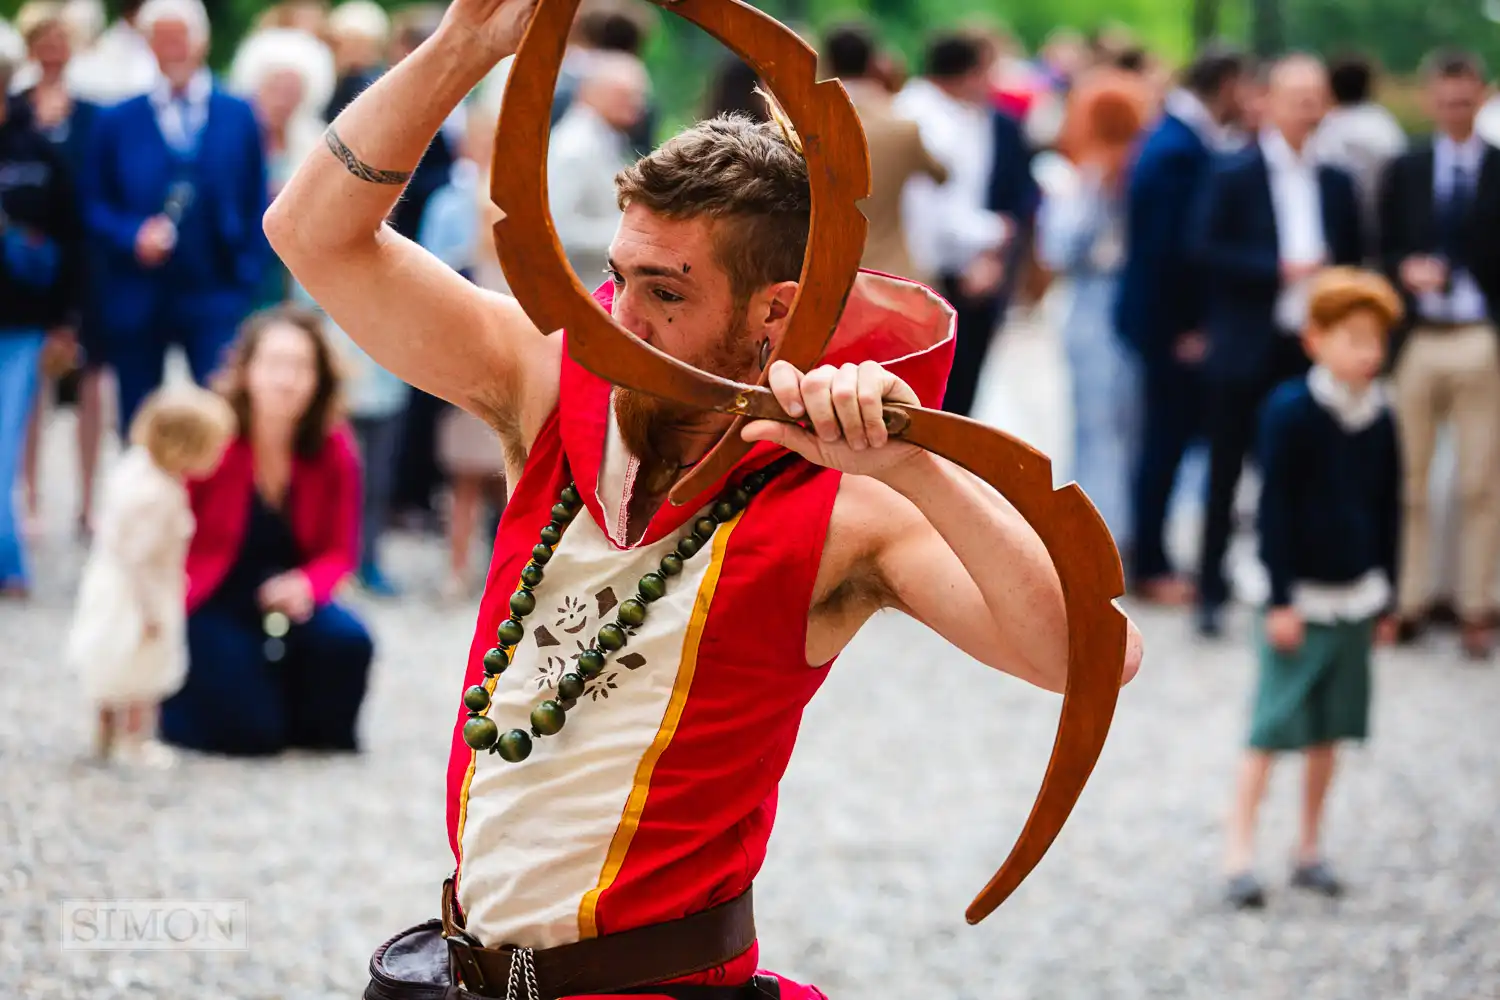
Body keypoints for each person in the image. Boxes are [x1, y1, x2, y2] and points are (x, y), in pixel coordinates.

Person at [264, 0, 1144, 993]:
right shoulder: (551, 383)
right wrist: (466, 43)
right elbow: (310, 235)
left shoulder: (846, 504)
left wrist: (910, 465)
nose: (619, 320)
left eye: (666, 294)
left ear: (775, 313)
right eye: (616, 277)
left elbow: (1096, 659)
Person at [1222, 268, 1402, 909]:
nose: (1368, 353)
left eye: (1376, 340)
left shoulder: (1381, 416)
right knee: (1271, 726)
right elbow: (1273, 511)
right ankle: (1239, 853)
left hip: (1356, 593)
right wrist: (1280, 598)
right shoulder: (1290, 411)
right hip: (1298, 596)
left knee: (1332, 728)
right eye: (1353, 338)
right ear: (1314, 340)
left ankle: (1309, 846)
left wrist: (1391, 598)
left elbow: (1388, 508)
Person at [1188, 54, 1364, 637]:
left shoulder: (1337, 179)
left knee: (1298, 470)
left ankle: (1288, 587)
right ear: (1268, 101)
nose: (1307, 107)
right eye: (1296, 95)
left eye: (1316, 96)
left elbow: (1356, 255)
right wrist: (1279, 269)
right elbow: (1204, 247)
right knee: (1225, 468)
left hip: (1308, 344)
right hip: (1247, 339)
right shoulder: (1233, 170)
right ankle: (1209, 590)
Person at [160, 306, 373, 756]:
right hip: (213, 594)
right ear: (247, 371)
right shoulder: (214, 437)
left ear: (319, 379)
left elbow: (340, 552)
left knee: (350, 644)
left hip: (289, 594)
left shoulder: (335, 447)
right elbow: (169, 530)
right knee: (251, 736)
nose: (287, 379)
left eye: (301, 366)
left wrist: (306, 585)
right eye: (274, 364)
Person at [81, 0, 269, 429]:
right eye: (161, 39)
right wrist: (131, 236)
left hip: (216, 289)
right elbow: (92, 204)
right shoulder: (117, 120)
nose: (173, 49)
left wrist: (245, 276)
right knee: (139, 418)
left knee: (221, 411)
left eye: (180, 37)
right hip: (139, 292)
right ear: (148, 46)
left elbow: (255, 198)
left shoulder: (238, 114)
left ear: (201, 42)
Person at [1377, 49, 1500, 659]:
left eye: (1466, 99)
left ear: (1481, 97)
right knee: (1410, 481)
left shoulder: (1499, 167)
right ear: (1430, 100)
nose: (1455, 109)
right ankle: (1410, 599)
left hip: (1480, 335)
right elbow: (1380, 246)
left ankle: (1477, 603)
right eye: (1446, 100)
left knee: (1481, 481)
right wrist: (1404, 271)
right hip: (1419, 336)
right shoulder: (1407, 167)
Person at [1115, 44, 1248, 606]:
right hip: (1170, 326)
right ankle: (1151, 562)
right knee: (1163, 444)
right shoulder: (1179, 149)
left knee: (1163, 442)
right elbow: (1169, 253)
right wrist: (1185, 328)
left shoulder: (1178, 138)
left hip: (1164, 322)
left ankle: (1151, 554)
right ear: (1225, 84)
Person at [66, 384, 235, 767]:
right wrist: (151, 612)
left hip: (109, 582)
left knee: (112, 664)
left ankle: (105, 733)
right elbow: (139, 558)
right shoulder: (158, 494)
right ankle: (135, 740)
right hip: (140, 590)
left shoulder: (134, 470)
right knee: (142, 669)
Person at [1038, 70, 1150, 554]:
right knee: (1123, 423)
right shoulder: (1137, 172)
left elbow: (1058, 248)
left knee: (1096, 423)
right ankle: (1112, 526)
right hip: (1123, 301)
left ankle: (1101, 531)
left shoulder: (1093, 178)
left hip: (1093, 304)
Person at [0, 49, 84, 599]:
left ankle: (9, 560)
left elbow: (70, 237)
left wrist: (64, 322)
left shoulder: (41, 152)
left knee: (4, 443)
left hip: (20, 322)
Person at [820, 20, 948, 285]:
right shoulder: (902, 127)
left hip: (825, 274)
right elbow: (941, 175)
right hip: (892, 274)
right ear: (872, 62)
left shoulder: (808, 124)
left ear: (829, 63)